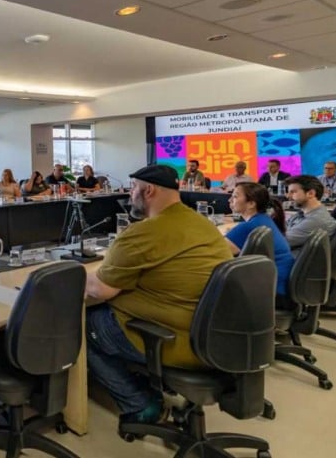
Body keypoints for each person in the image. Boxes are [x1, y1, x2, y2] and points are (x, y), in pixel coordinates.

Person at [85, 165, 232, 427]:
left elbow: (99, 289)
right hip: (211, 335)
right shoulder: (201, 223)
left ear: (149, 190)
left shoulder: (147, 231)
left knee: (82, 324)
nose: (130, 194)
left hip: (172, 339)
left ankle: (139, 404)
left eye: (133, 188)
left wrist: (74, 273)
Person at [224, 183, 295, 304]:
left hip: (271, 293)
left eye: (235, 196)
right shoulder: (264, 219)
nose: (229, 200)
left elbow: (217, 252)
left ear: (251, 204)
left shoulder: (248, 226)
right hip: (281, 289)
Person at [283, 175, 336, 250]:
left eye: (293, 192)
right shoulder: (304, 213)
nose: (288, 196)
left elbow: (279, 243)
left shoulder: (316, 220)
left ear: (311, 193)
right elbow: (283, 228)